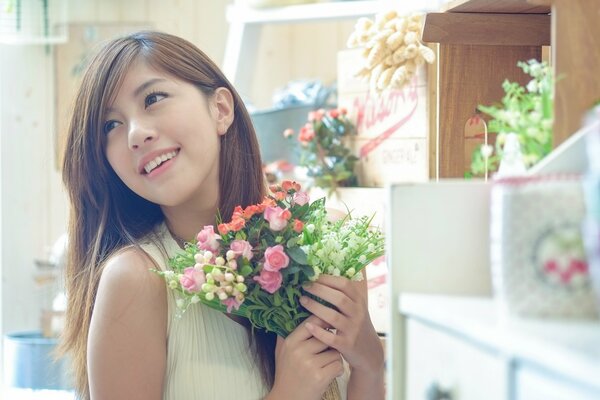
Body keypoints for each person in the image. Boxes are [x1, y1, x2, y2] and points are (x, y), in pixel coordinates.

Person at [58, 30, 384, 400]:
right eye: (110, 126)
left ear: (221, 109)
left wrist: (370, 363)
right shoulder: (135, 281)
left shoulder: (329, 240)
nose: (136, 134)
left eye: (153, 98)